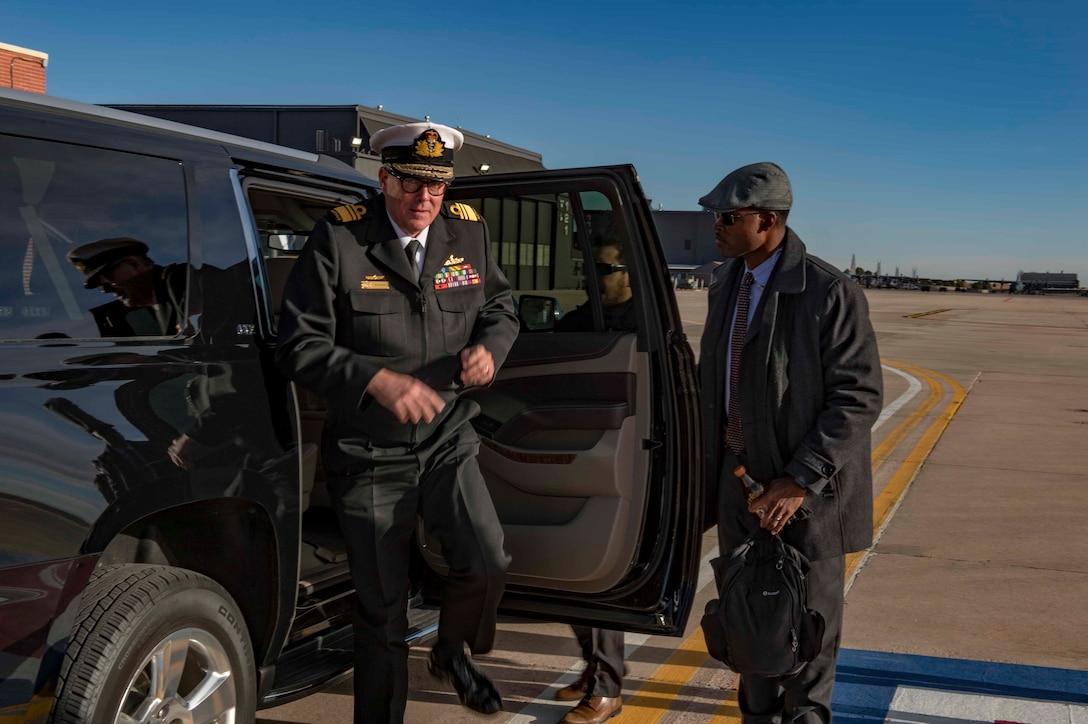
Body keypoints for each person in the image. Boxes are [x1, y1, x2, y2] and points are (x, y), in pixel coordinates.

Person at [275, 122, 519, 722]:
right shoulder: (340, 239)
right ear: (383, 180)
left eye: (437, 187)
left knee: (487, 559)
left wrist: (491, 347)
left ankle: (452, 650)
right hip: (369, 449)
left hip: (448, 434)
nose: (425, 201)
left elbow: (499, 305)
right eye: (411, 185)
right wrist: (375, 380)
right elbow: (297, 344)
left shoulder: (467, 230)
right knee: (381, 610)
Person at [697, 163, 882, 722]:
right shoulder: (726, 282)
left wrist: (800, 479)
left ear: (768, 220)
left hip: (807, 497)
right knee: (750, 628)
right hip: (741, 486)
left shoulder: (829, 292)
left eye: (728, 217)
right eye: (716, 217)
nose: (717, 227)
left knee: (808, 638)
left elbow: (858, 396)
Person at [553, 241, 633, 724]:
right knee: (573, 574)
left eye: (604, 269)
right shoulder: (575, 323)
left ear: (627, 274)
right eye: (588, 267)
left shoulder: (645, 328)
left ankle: (608, 687)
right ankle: (593, 669)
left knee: (602, 579)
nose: (593, 276)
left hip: (619, 461)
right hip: (572, 454)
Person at [67, 236, 187, 337]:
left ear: (133, 263)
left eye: (105, 278)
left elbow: (198, 347)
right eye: (99, 285)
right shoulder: (162, 300)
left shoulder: (185, 281)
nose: (104, 290)